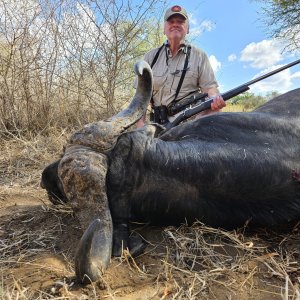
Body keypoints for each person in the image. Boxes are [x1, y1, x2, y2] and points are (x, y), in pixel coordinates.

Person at [136, 5, 225, 127]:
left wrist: (215, 98)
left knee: (214, 112)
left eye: (180, 21)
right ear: (164, 28)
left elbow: (210, 89)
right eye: (171, 21)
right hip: (158, 125)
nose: (175, 24)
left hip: (190, 126)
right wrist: (141, 127)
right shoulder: (150, 57)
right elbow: (140, 98)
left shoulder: (199, 56)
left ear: (187, 28)